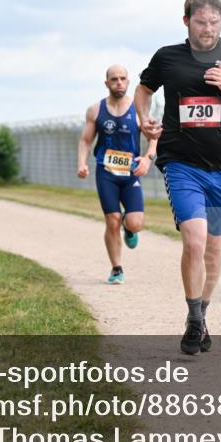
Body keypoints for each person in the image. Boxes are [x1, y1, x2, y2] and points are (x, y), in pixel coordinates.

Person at [135, 0, 221, 355]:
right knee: (194, 240)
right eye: (200, 22)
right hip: (181, 165)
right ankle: (193, 319)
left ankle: (202, 313)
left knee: (213, 248)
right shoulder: (168, 57)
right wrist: (145, 121)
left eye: (214, 22)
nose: (207, 29)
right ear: (186, 20)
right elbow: (143, 91)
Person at [78, 65, 156, 284]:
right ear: (107, 83)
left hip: (131, 173)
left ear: (128, 82)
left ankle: (128, 227)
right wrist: (82, 163)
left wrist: (148, 158)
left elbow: (154, 137)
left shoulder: (138, 109)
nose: (119, 83)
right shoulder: (95, 110)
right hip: (106, 172)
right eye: (114, 79)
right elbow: (85, 140)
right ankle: (116, 268)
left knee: (135, 223)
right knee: (111, 221)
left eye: (122, 79)